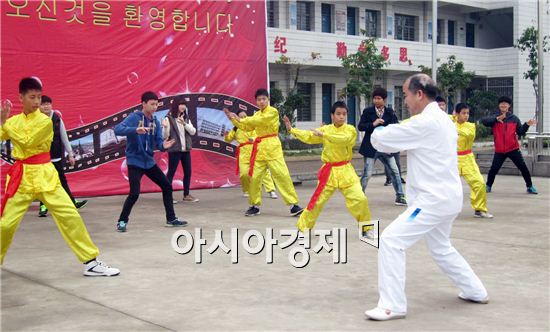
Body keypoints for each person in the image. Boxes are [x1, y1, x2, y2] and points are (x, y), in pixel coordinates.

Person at [365, 74, 488, 321]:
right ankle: (475, 290)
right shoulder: (443, 120)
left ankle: (392, 305)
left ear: (419, 94)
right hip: (446, 197)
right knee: (441, 247)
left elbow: (382, 140)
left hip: (432, 201)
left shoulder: (425, 122)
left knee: (390, 240)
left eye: (407, 95)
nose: (406, 100)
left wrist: (377, 129)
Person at [1, 77, 119, 276]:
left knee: (70, 215)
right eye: (32, 97)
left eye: (39, 97)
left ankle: (91, 262)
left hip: (45, 175)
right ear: (21, 97)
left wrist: (4, 123)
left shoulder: (45, 121)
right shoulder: (14, 121)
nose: (37, 102)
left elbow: (27, 142)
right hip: (21, 178)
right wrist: (2, 121)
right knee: (5, 223)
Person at [285, 101, 373, 237]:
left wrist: (324, 135)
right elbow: (309, 136)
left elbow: (343, 139)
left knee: (360, 198)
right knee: (317, 202)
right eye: (338, 114)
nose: (341, 117)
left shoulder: (350, 130)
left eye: (344, 114)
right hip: (329, 171)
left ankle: (366, 228)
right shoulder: (326, 129)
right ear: (332, 115)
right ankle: (302, 229)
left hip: (346, 170)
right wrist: (292, 130)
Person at [114, 91, 187, 232]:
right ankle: (122, 221)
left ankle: (171, 219)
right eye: (152, 104)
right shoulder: (134, 117)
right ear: (144, 104)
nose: (155, 107)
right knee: (134, 193)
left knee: (167, 185)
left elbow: (159, 142)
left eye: (156, 104)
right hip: (135, 162)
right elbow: (118, 130)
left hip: (149, 162)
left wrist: (163, 146)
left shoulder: (155, 122)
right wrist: (135, 130)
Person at [223, 88, 304, 217]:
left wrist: (239, 119)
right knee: (254, 177)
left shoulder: (272, 112)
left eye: (263, 99)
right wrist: (233, 120)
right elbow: (246, 127)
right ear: (256, 101)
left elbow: (258, 121)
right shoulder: (256, 115)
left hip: (272, 147)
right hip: (259, 149)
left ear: (268, 100)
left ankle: (293, 205)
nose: (261, 102)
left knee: (282, 175)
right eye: (259, 99)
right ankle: (254, 205)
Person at [37, 95, 88, 217]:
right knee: (42, 181)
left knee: (62, 180)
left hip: (56, 156)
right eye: (43, 104)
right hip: (41, 158)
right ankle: (43, 205)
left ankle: (72, 202)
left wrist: (70, 154)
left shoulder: (57, 118)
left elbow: (64, 137)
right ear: (39, 106)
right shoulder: (35, 119)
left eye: (48, 104)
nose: (46, 106)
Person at [357, 88, 407, 206]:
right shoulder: (368, 111)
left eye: (379, 98)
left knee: (394, 171)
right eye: (375, 98)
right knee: (367, 173)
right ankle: (359, 195)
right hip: (371, 147)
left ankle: (400, 196)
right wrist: (373, 124)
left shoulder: (390, 112)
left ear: (384, 100)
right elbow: (361, 126)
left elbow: (395, 128)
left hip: (385, 148)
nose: (376, 101)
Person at [481, 96, 537, 194]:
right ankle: (488, 186)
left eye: (505, 104)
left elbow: (520, 132)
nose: (503, 105)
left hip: (513, 149)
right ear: (499, 105)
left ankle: (530, 186)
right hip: (499, 151)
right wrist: (497, 118)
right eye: (501, 103)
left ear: (509, 106)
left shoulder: (514, 119)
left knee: (523, 168)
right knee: (493, 169)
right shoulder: (495, 117)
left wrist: (526, 125)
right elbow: (484, 121)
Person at [223, 109, 279, 199]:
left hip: (255, 151)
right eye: (241, 117)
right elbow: (229, 139)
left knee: (264, 172)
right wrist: (226, 136)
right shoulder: (235, 129)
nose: (243, 118)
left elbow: (258, 134)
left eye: (245, 117)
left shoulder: (253, 126)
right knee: (244, 174)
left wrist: (253, 139)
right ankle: (246, 190)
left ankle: (271, 190)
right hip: (243, 153)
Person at [452, 103, 493, 218]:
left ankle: (479, 209)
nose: (466, 116)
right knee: (444, 185)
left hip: (467, 158)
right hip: (452, 159)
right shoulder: (449, 123)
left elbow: (469, 135)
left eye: (467, 113)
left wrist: (453, 125)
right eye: (463, 113)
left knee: (479, 183)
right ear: (457, 113)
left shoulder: (470, 126)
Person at [162, 98, 199, 203]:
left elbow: (193, 132)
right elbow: (165, 135)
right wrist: (164, 127)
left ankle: (186, 195)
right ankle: (168, 196)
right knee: (171, 173)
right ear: (175, 106)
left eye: (184, 105)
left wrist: (184, 123)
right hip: (175, 150)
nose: (183, 106)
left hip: (185, 150)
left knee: (188, 172)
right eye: (181, 104)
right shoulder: (168, 118)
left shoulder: (186, 118)